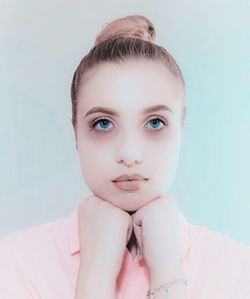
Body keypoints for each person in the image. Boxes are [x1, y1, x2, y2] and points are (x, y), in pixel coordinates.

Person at [0, 14, 250, 299]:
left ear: (181, 128)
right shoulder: (13, 264)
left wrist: (168, 271)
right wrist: (96, 275)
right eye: (103, 123)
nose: (129, 154)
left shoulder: (239, 270)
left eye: (155, 122)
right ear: (76, 133)